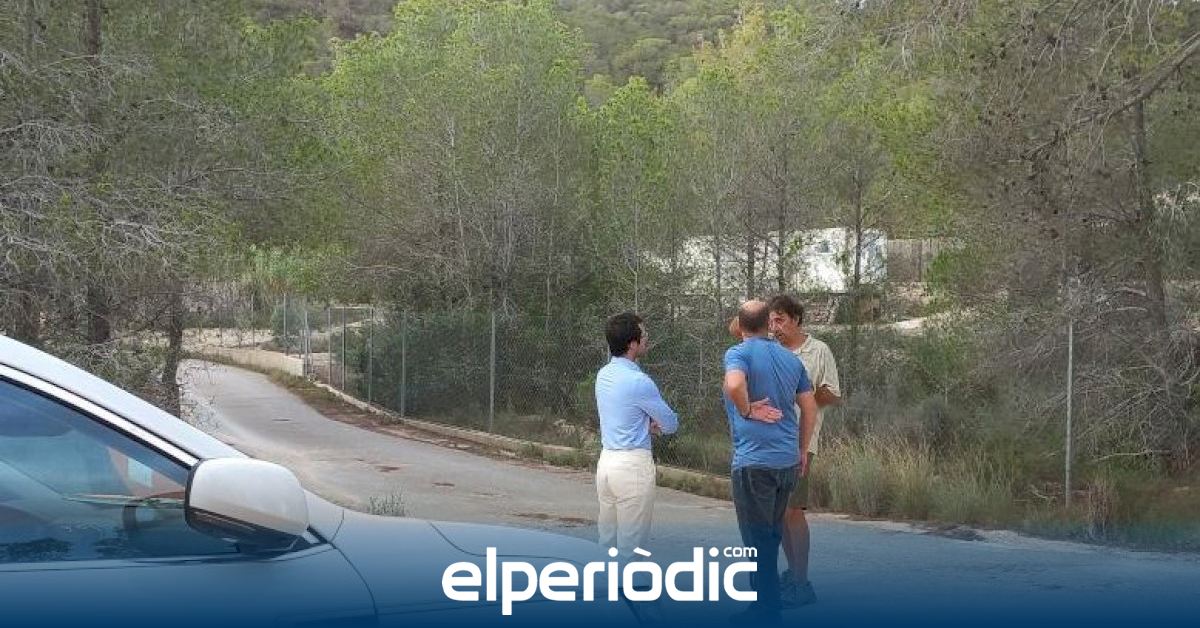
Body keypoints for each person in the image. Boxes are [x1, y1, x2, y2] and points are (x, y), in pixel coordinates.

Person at [723, 300, 819, 624]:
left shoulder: (738, 354)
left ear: (740, 325)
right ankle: (769, 603)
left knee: (756, 540)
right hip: (786, 462)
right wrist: (802, 449)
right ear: (769, 324)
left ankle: (765, 610)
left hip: (754, 463)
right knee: (772, 536)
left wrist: (748, 409)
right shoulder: (792, 360)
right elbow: (809, 408)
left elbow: (734, 383)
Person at [767, 294, 842, 608]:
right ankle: (793, 574)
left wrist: (803, 397)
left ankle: (802, 583)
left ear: (796, 319)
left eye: (780, 319)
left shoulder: (818, 350)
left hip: (801, 441)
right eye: (771, 320)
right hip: (772, 441)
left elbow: (833, 394)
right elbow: (737, 326)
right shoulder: (769, 349)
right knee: (780, 513)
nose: (775, 326)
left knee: (792, 510)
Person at [594, 312, 679, 562]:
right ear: (632, 344)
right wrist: (654, 426)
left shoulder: (603, 375)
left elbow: (623, 413)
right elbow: (671, 423)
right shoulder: (639, 381)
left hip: (606, 463)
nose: (647, 338)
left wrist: (643, 424)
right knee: (630, 552)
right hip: (632, 467)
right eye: (644, 334)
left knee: (606, 544)